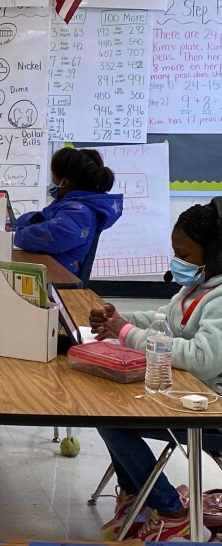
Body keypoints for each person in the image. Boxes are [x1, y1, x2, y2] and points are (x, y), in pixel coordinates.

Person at [89, 201, 222, 541]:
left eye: (184, 254)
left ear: (216, 254)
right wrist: (119, 319)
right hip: (189, 393)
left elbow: (201, 357)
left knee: (115, 423)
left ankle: (171, 511)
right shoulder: (196, 288)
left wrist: (126, 333)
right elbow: (163, 319)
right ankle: (140, 498)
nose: (177, 261)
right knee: (108, 411)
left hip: (212, 409)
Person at [13, 147, 123, 276]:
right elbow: (42, 217)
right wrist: (22, 225)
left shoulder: (79, 212)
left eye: (54, 175)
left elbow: (51, 235)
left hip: (59, 277)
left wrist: (14, 236)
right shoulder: (68, 204)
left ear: (65, 182)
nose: (52, 180)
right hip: (50, 269)